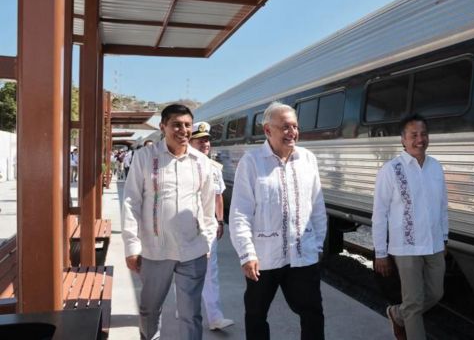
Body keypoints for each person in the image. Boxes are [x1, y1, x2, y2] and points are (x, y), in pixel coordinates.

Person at [229, 102, 327, 340]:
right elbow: (240, 212)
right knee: (256, 314)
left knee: (313, 313)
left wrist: (319, 244)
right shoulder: (252, 162)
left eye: (294, 126)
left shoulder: (308, 159)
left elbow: (317, 207)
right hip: (264, 257)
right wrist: (247, 253)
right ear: (267, 131)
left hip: (302, 255)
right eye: (284, 127)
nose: (291, 132)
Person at [121, 104, 218, 340]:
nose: (183, 130)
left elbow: (208, 206)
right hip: (155, 252)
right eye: (176, 124)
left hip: (192, 250)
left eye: (187, 125)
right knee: (149, 310)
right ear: (163, 126)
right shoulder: (145, 157)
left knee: (190, 314)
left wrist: (207, 240)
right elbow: (131, 202)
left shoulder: (201, 162)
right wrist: (132, 246)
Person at [372, 113, 449, 340]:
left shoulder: (435, 167)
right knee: (414, 303)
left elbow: (442, 205)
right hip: (405, 247)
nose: (419, 139)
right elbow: (380, 213)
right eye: (413, 134)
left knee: (436, 293)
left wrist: (444, 237)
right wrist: (381, 253)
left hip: (434, 243)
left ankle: (397, 313)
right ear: (403, 139)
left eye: (423, 134)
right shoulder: (391, 170)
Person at [188, 121, 234, 330]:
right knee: (186, 272)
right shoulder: (182, 165)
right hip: (186, 227)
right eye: (201, 140)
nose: (206, 143)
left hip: (208, 228)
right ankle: (186, 313)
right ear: (190, 142)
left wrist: (220, 220)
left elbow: (218, 196)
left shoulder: (215, 168)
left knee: (210, 272)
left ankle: (215, 317)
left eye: (207, 140)